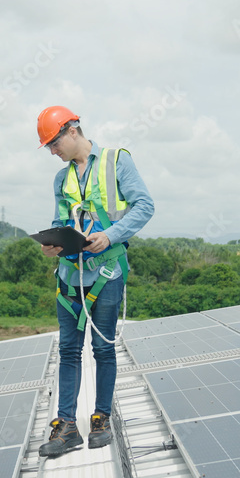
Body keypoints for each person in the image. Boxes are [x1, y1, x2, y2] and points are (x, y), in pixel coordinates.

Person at [35, 106, 155, 458]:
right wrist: (54, 244)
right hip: (70, 276)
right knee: (68, 350)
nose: (53, 152)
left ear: (73, 131)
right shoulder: (61, 180)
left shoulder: (116, 161)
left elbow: (144, 206)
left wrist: (112, 235)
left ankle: (101, 417)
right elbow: (62, 219)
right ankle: (66, 426)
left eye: (54, 143)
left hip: (106, 272)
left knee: (103, 348)